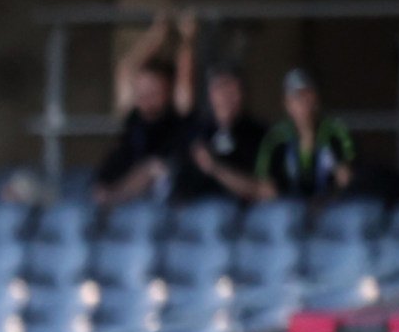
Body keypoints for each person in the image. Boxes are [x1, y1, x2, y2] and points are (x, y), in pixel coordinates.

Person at [89, 12, 190, 208]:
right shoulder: (132, 112)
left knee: (152, 168)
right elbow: (126, 69)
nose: (146, 97)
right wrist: (156, 35)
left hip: (162, 183)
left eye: (154, 91)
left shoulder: (177, 111)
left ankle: (111, 202)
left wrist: (187, 38)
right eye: (142, 91)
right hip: (126, 178)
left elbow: (185, 75)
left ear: (168, 92)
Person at [181, 62, 273, 206]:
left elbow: (265, 191)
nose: (226, 97)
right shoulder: (195, 131)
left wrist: (215, 168)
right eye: (220, 89)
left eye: (232, 90)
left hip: (246, 211)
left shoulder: (258, 133)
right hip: (198, 211)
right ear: (211, 94)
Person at [259, 69, 356, 201]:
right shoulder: (277, 138)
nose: (303, 102)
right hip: (290, 207)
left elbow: (346, 179)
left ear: (316, 98)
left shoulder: (334, 131)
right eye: (296, 97)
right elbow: (265, 187)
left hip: (330, 205)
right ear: (287, 104)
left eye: (307, 94)